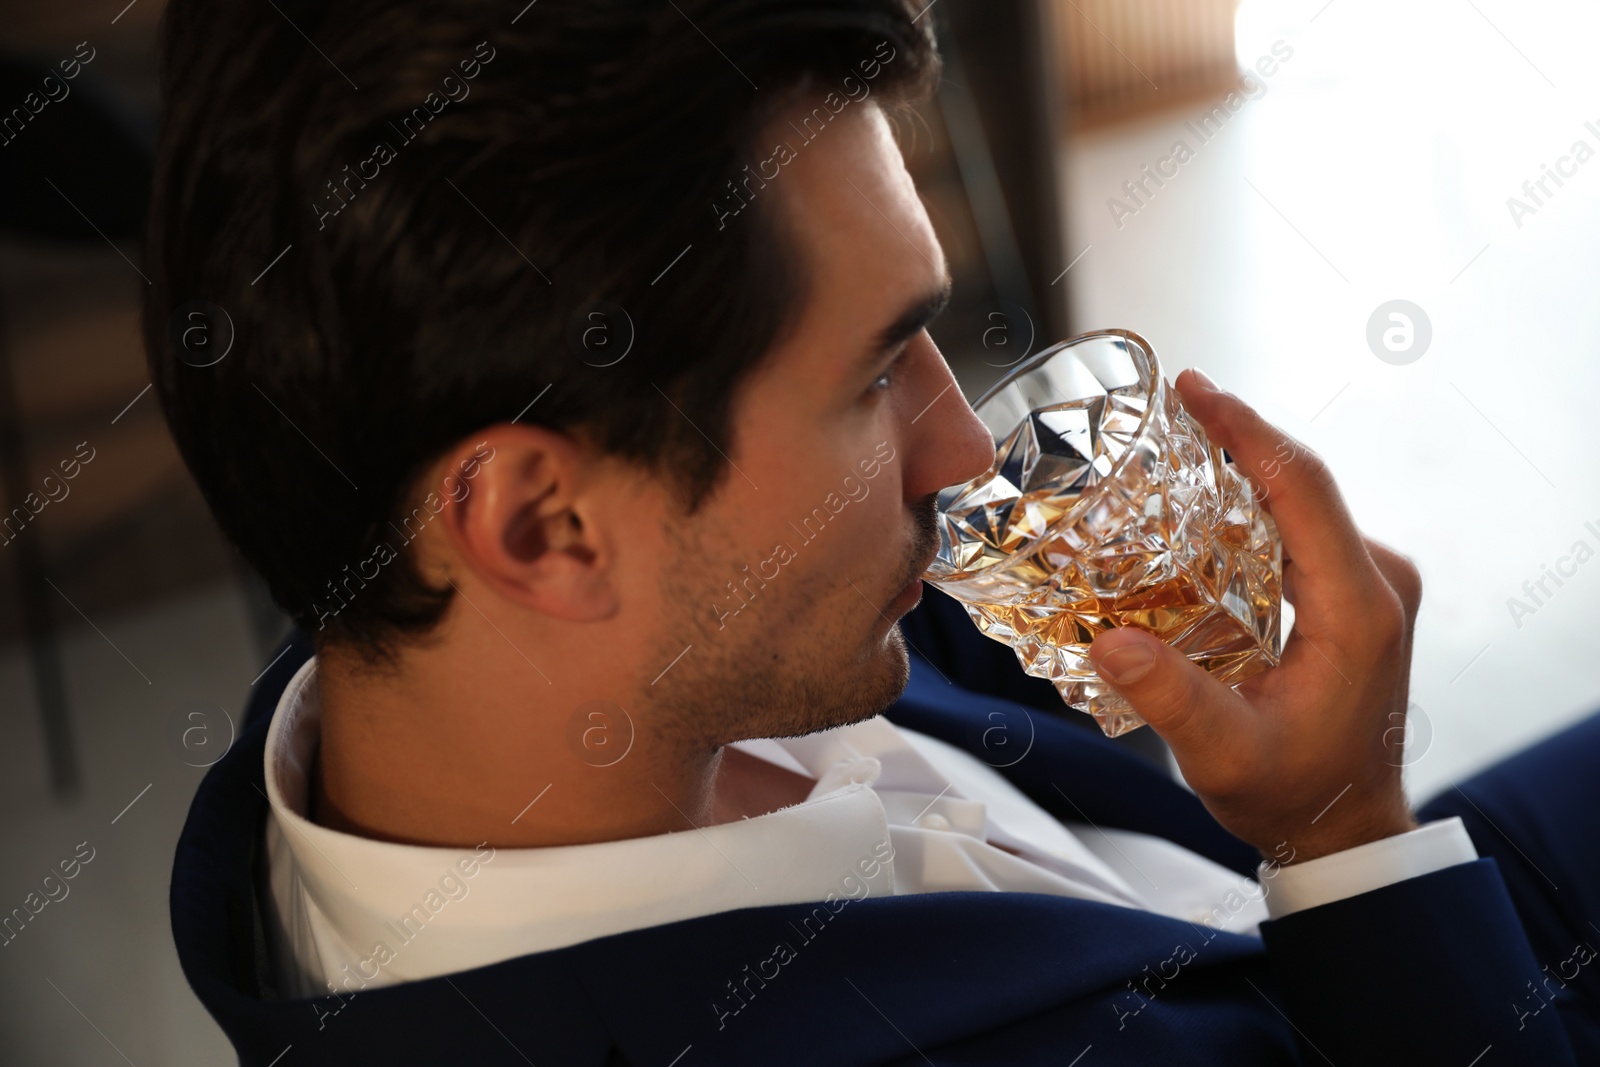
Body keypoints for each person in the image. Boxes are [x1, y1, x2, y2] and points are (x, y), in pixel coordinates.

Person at [151, 0, 1600, 1062]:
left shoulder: (433, 630)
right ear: (545, 524)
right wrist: (1347, 833)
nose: (961, 443)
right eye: (874, 372)